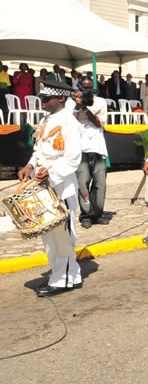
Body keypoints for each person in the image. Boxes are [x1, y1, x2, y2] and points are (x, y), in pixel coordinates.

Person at [18, 81, 83, 296]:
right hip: (44, 184)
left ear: (62, 98)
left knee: (61, 236)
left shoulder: (69, 122)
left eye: (48, 98)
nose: (43, 101)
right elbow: (39, 150)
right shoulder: (46, 120)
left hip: (60, 185)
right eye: (42, 97)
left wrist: (51, 174)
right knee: (49, 235)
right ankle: (70, 275)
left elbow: (73, 159)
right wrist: (30, 165)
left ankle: (61, 280)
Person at [74, 77, 109, 228]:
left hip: (98, 148)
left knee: (100, 183)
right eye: (84, 88)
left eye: (89, 88)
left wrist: (85, 109)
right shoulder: (72, 103)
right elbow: (71, 121)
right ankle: (86, 215)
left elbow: (99, 123)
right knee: (83, 183)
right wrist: (77, 106)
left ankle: (98, 213)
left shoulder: (100, 102)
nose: (86, 91)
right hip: (80, 148)